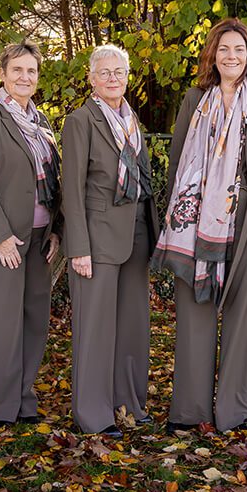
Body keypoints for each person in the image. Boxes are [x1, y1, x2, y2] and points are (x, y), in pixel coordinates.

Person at [152, 18, 247, 434]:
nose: (231, 56)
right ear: (212, 55)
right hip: (195, 223)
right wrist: (177, 215)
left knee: (244, 320)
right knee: (195, 315)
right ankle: (189, 411)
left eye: (239, 50)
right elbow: (179, 162)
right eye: (224, 49)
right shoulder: (194, 98)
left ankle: (239, 412)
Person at [62, 44, 160, 437]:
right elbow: (72, 190)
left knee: (133, 325)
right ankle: (93, 414)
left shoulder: (130, 119)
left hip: (137, 233)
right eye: (104, 72)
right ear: (91, 78)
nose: (113, 78)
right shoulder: (81, 121)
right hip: (98, 238)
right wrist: (78, 247)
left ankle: (129, 403)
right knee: (96, 328)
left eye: (119, 72)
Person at [0, 41, 63, 428]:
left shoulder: (42, 123)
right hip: (3, 242)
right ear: (3, 74)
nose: (25, 77)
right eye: (17, 70)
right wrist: (0, 236)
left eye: (31, 71)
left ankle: (21, 398)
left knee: (33, 321)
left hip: (39, 240)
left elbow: (52, 181)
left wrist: (56, 230)